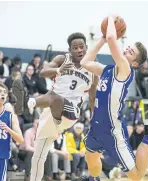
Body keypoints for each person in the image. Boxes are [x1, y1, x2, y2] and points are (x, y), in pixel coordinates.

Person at [72, 16, 148, 181]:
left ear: (134, 63)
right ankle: (93, 179)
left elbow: (111, 38)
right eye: (128, 47)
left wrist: (111, 18)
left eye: (131, 52)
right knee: (90, 156)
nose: (127, 50)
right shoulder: (108, 69)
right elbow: (85, 62)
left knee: (135, 176)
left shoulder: (126, 69)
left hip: (112, 130)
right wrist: (101, 40)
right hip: (97, 126)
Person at [27, 32, 99, 181]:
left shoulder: (93, 70)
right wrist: (58, 70)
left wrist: (95, 119)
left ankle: (32, 102)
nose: (79, 50)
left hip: (71, 112)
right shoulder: (62, 59)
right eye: (75, 48)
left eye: (82, 47)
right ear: (70, 50)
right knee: (39, 155)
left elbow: (92, 98)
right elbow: (42, 72)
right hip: (50, 110)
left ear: (86, 47)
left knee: (55, 97)